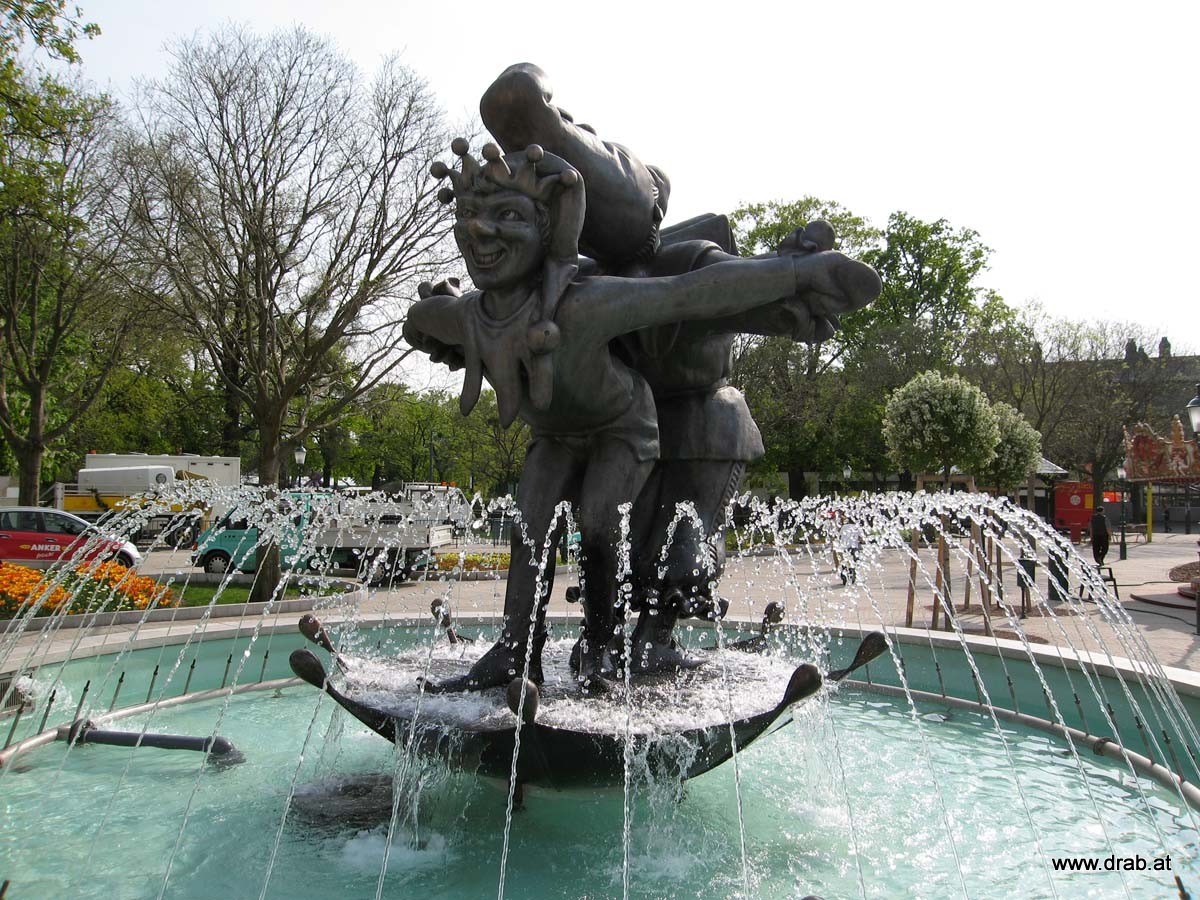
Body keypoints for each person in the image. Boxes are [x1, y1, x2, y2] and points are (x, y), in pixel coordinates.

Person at [404, 139, 880, 692]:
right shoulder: (470, 314)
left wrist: (796, 273)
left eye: (508, 217)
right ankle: (516, 652)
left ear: (548, 232)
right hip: (557, 434)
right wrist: (437, 329)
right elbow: (419, 320)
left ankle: (602, 649)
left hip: (621, 428)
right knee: (528, 527)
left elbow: (689, 294)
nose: (480, 232)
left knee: (598, 522)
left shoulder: (587, 302)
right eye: (468, 217)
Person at [480, 64, 847, 674]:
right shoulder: (578, 280)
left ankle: (655, 634)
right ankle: (543, 647)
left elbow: (720, 290)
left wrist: (790, 282)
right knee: (575, 526)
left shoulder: (691, 257)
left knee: (676, 542)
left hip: (695, 425)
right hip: (618, 428)